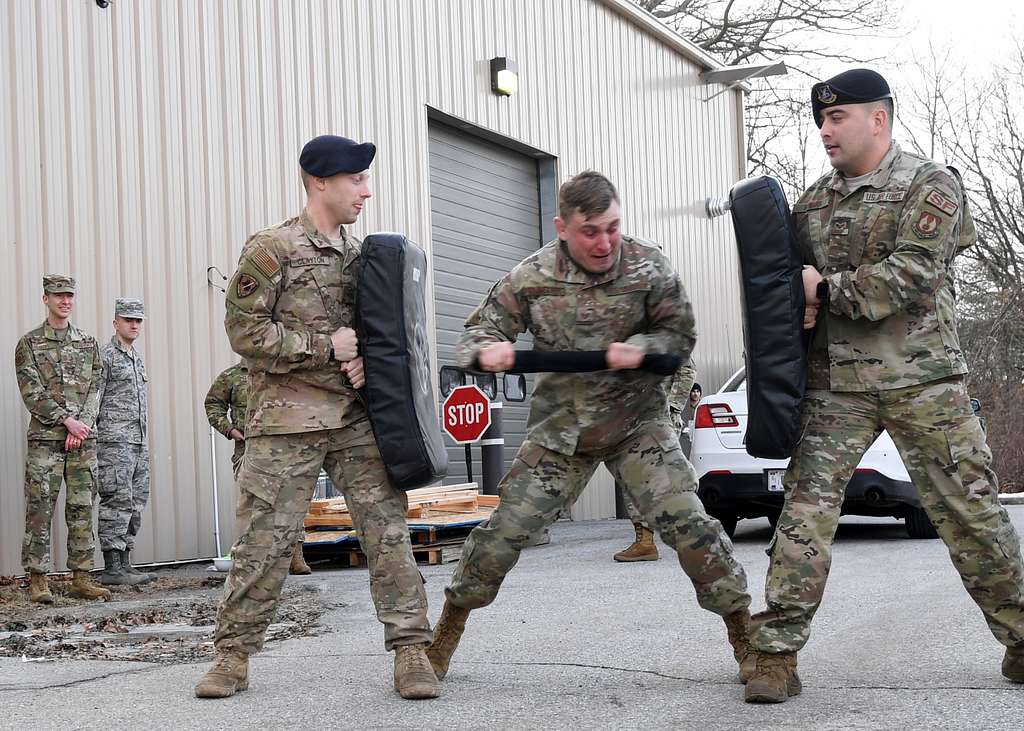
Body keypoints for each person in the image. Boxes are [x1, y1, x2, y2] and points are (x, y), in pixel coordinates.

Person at [743, 68, 1024, 703]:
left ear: (879, 119)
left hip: (923, 378)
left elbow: (913, 276)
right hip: (836, 384)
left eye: (837, 118)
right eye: (820, 119)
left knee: (970, 512)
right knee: (804, 516)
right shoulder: (812, 203)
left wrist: (823, 290)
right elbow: (782, 284)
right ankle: (775, 653)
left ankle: (1021, 638)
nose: (824, 129)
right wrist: (798, 305)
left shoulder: (931, 185)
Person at [426, 170, 754, 684]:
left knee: (691, 528)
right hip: (562, 433)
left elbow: (680, 335)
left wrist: (643, 350)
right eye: (590, 231)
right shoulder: (531, 277)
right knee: (504, 533)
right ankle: (443, 636)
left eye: (612, 228)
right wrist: (488, 351)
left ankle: (745, 639)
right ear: (562, 227)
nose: (604, 243)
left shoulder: (647, 266)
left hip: (637, 426)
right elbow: (471, 337)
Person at [194, 135, 439, 701]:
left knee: (389, 535)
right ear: (320, 181)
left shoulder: (365, 259)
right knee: (264, 543)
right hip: (286, 421)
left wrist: (368, 365)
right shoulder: (271, 248)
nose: (366, 190)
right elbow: (244, 333)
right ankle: (232, 656)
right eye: (357, 179)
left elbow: (382, 335)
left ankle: (411, 651)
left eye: (366, 179)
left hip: (356, 421)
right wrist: (326, 347)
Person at [15, 275, 110, 603]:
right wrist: (66, 422)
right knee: (40, 508)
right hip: (46, 439)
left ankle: (81, 577)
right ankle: (38, 580)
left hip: (83, 440)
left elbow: (97, 385)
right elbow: (31, 391)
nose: (65, 301)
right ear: (46, 299)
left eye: (69, 295)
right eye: (58, 296)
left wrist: (81, 425)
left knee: (82, 506)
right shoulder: (29, 344)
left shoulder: (88, 342)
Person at [204, 361, 310, 575]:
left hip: (283, 447)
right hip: (248, 448)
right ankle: (249, 559)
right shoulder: (231, 376)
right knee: (251, 503)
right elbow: (213, 404)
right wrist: (230, 429)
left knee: (291, 499)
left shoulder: (281, 372)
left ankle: (295, 555)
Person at [96, 298, 155, 586]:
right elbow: (93, 399)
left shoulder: (135, 358)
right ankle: (112, 566)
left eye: (138, 320)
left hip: (137, 442)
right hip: (113, 443)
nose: (134, 324)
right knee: (116, 501)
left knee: (135, 501)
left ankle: (126, 561)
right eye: (128, 319)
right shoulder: (105, 356)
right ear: (115, 322)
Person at [614, 358, 696, 562]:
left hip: (658, 420)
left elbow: (687, 370)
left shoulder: (661, 333)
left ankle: (649, 542)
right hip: (634, 419)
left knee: (646, 477)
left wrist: (673, 406)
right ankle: (651, 539)